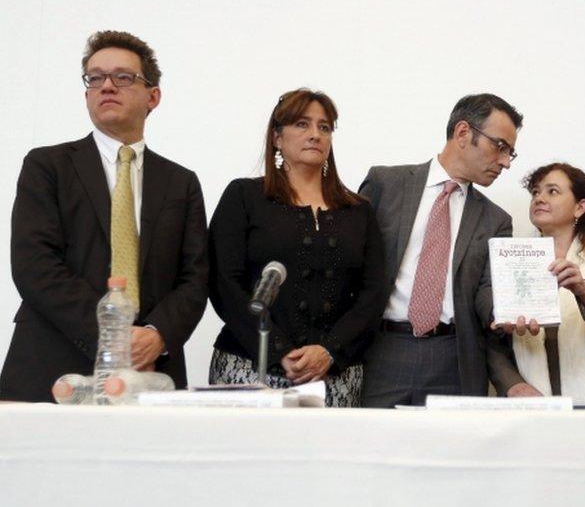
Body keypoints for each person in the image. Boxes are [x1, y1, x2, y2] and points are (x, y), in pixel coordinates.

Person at [1, 30, 208, 401]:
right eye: (95, 78)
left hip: (150, 372)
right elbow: (35, 265)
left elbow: (195, 278)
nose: (107, 86)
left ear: (153, 96)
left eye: (123, 77)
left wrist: (157, 335)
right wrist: (112, 338)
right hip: (51, 363)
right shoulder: (47, 166)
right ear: (86, 94)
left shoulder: (182, 183)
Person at [208, 89, 386, 406]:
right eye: (302, 124)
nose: (315, 135)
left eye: (324, 127)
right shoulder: (244, 197)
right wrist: (279, 350)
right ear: (277, 138)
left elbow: (373, 294)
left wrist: (330, 351)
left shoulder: (358, 210)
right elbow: (224, 282)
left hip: (336, 375)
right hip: (250, 366)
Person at [358, 93, 532, 407]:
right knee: (372, 451)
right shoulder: (386, 184)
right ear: (463, 133)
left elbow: (488, 289)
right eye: (500, 147)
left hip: (455, 360)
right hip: (382, 351)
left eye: (511, 153)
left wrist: (507, 311)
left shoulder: (496, 220)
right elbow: (353, 264)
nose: (506, 162)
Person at [499, 163, 585, 403]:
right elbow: (490, 336)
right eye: (535, 192)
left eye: (552, 191)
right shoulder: (511, 258)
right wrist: (512, 383)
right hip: (530, 396)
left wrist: (584, 289)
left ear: (580, 207)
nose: (539, 198)